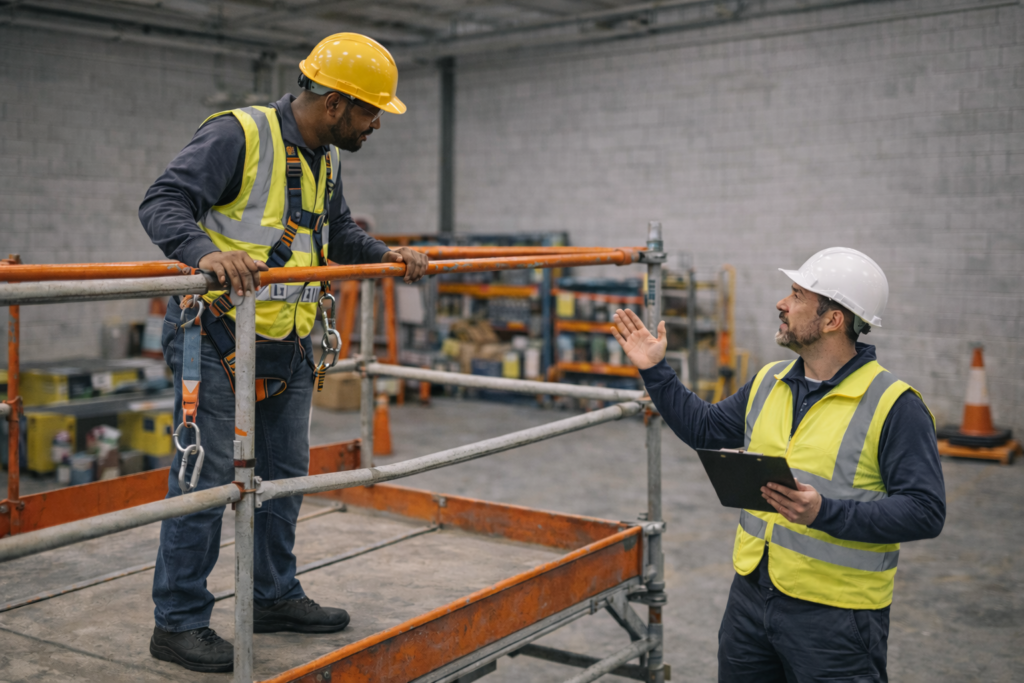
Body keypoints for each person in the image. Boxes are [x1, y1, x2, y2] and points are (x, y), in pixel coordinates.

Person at [138, 33, 429, 673]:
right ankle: (178, 622)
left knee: (284, 480)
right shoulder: (237, 135)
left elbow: (338, 233)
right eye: (369, 111)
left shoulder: (326, 158)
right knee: (207, 482)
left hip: (289, 342)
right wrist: (202, 253)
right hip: (214, 339)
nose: (376, 123)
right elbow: (162, 201)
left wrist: (386, 256)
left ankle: (272, 595)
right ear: (331, 103)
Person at [612, 247, 945, 683]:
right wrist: (656, 371)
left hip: (837, 619)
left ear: (832, 320)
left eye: (797, 295)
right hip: (752, 599)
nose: (781, 304)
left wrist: (825, 512)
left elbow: (925, 511)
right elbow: (705, 429)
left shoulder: (894, 406)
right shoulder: (770, 381)